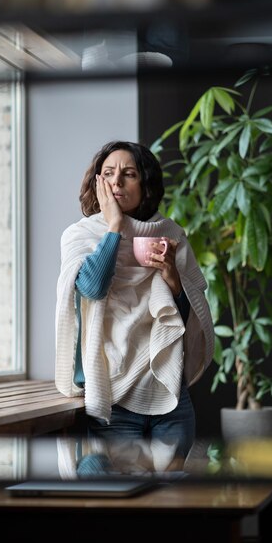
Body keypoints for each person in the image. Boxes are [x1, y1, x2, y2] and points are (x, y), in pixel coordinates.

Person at [55, 140, 214, 458]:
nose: (117, 181)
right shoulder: (80, 235)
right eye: (109, 173)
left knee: (171, 500)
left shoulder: (169, 234)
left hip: (169, 395)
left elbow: (183, 318)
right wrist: (114, 227)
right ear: (97, 182)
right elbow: (92, 288)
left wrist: (172, 277)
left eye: (128, 174)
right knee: (123, 502)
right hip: (116, 399)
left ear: (145, 184)